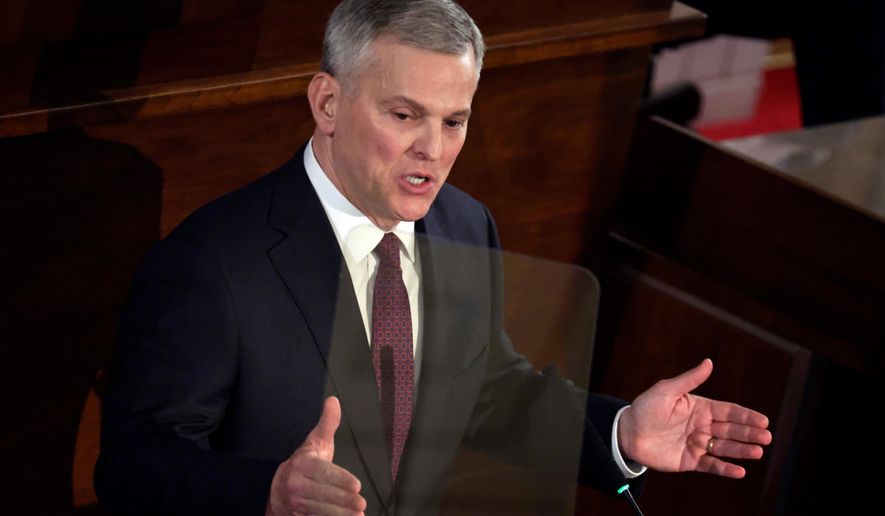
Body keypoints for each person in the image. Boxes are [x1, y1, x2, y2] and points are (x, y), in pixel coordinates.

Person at [94, 1, 772, 515]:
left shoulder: (461, 224)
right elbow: (133, 465)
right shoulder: (212, 264)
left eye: (454, 121)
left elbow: (485, 392)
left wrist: (621, 434)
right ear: (327, 103)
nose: (434, 150)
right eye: (404, 116)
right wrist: (267, 491)